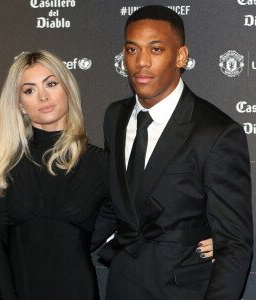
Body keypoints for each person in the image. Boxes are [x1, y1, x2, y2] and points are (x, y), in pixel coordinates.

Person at [93, 5, 253, 300]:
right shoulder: (114, 116)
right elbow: (116, 204)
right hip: (122, 285)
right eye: (131, 49)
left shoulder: (215, 132)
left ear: (180, 56)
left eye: (155, 49)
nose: (141, 62)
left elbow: (234, 246)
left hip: (182, 290)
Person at [0, 50, 109, 300]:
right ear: (19, 104)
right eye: (29, 90)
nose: (43, 96)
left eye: (51, 83)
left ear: (67, 89)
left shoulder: (100, 163)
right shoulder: (3, 161)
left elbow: (139, 220)